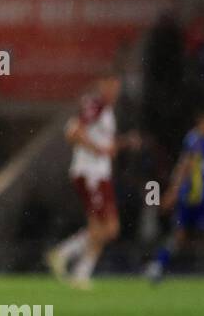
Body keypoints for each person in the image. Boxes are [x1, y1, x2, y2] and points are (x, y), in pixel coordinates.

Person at [45, 72, 139, 289]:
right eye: (111, 86)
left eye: (117, 87)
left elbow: (102, 142)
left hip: (100, 174)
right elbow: (73, 133)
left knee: (110, 229)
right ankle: (71, 262)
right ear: (101, 85)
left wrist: (124, 143)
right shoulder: (94, 105)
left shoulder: (104, 110)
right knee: (101, 227)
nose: (114, 92)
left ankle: (74, 264)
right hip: (90, 174)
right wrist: (97, 149)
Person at [144, 104, 204, 283]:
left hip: (191, 196)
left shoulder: (201, 140)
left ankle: (157, 266)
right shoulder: (196, 140)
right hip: (200, 196)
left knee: (180, 235)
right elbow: (185, 166)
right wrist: (172, 192)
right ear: (202, 121)